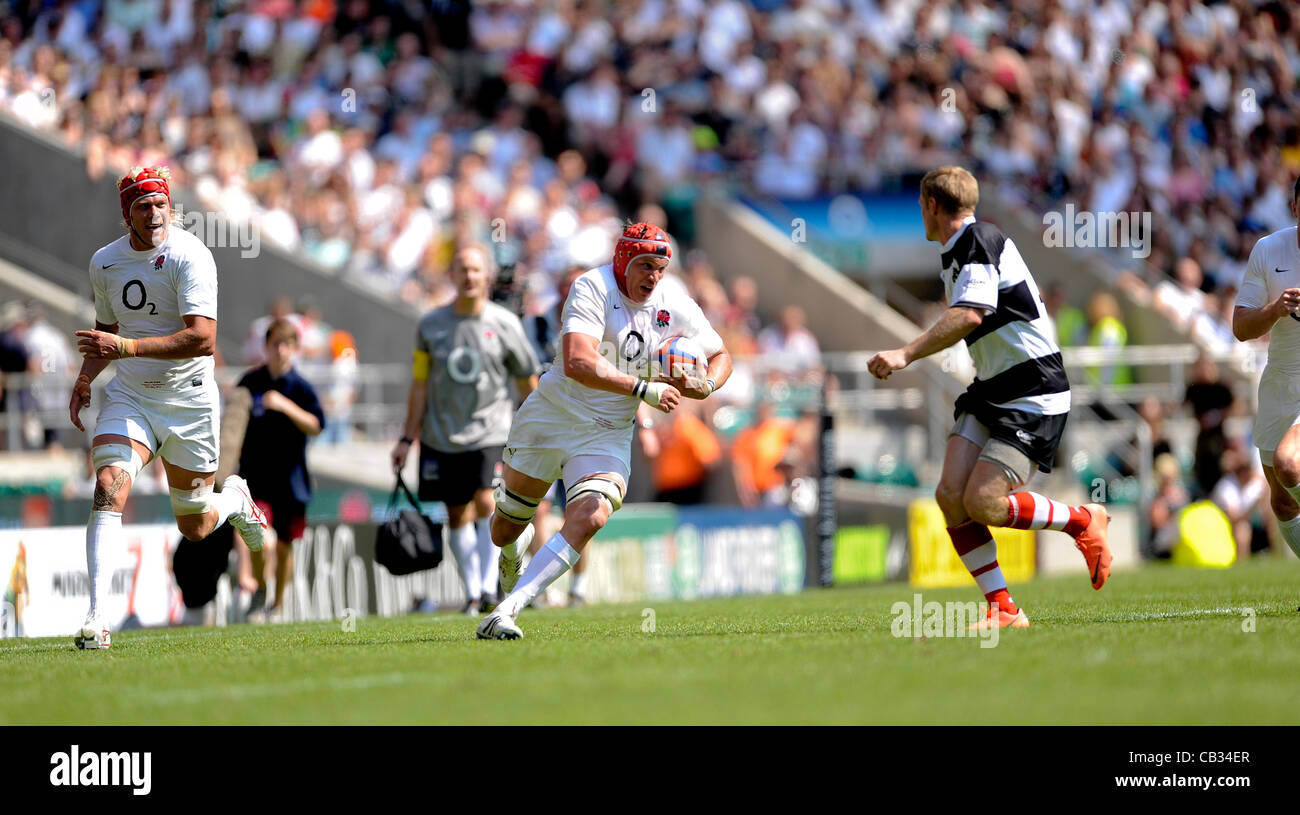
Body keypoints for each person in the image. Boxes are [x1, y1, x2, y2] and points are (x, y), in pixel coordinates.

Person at [868, 166, 1110, 631]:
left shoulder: (979, 239)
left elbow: (970, 315)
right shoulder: (958, 251)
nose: (920, 213)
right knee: (950, 496)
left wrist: (905, 353)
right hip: (995, 386)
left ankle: (1081, 520)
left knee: (983, 502)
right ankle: (1003, 608)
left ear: (932, 206)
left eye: (920, 206)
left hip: (1034, 389)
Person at [476, 222, 733, 639]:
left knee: (592, 514)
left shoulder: (675, 303)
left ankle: (507, 609)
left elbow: (722, 355)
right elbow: (578, 360)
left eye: (660, 268)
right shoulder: (591, 287)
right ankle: (511, 553)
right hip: (552, 416)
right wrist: (643, 389)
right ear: (622, 261)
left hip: (607, 431)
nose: (653, 276)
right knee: (504, 528)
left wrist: (706, 385)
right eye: (645, 265)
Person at [70, 166, 268, 649]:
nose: (154, 213)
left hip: (189, 401)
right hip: (132, 397)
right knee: (108, 486)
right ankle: (97, 618)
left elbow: (203, 339)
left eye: (160, 204)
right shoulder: (104, 263)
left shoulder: (190, 254)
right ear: (127, 215)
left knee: (195, 525)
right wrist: (85, 378)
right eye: (143, 206)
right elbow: (106, 330)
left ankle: (235, 501)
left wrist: (126, 348)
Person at [391, 243, 541, 615]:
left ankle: (488, 588)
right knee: (456, 512)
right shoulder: (430, 325)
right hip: (442, 435)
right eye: (463, 269)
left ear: (486, 276)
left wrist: (539, 428)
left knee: (488, 502)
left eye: (476, 269)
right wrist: (407, 437)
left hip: (492, 432)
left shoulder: (505, 323)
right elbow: (420, 384)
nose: (470, 276)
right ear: (452, 276)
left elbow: (527, 379)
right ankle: (473, 592)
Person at [1230, 175, 1300, 565]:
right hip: (1280, 381)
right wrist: (1275, 310)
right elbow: (1241, 328)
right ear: (1294, 208)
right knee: (1283, 501)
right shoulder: (1269, 249)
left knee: (1290, 463)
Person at [237, 317, 326, 620]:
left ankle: (277, 604)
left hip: (292, 480)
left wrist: (285, 406)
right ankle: (260, 590)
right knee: (258, 536)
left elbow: (317, 425)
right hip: (256, 477)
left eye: (286, 345)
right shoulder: (250, 382)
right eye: (275, 344)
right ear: (266, 346)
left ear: (295, 348)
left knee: (286, 547)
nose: (280, 351)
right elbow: (233, 420)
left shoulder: (301, 388)